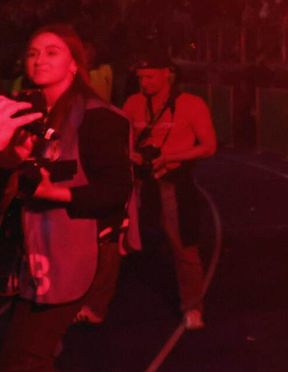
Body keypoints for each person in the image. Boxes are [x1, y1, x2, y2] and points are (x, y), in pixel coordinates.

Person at [0, 26, 132, 372]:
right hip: (22, 251)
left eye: (51, 51)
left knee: (25, 357)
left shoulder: (96, 117)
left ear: (74, 64)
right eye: (32, 52)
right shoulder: (21, 113)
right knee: (24, 352)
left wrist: (52, 192)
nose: (39, 58)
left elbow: (116, 190)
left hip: (67, 253)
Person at [120, 62, 215, 331]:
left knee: (184, 247)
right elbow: (123, 141)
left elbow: (208, 146)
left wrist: (170, 158)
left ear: (167, 75)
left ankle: (193, 307)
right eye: (140, 77)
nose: (144, 82)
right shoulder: (133, 103)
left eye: (150, 76)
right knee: (119, 241)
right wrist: (135, 157)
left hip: (174, 183)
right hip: (141, 181)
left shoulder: (192, 104)